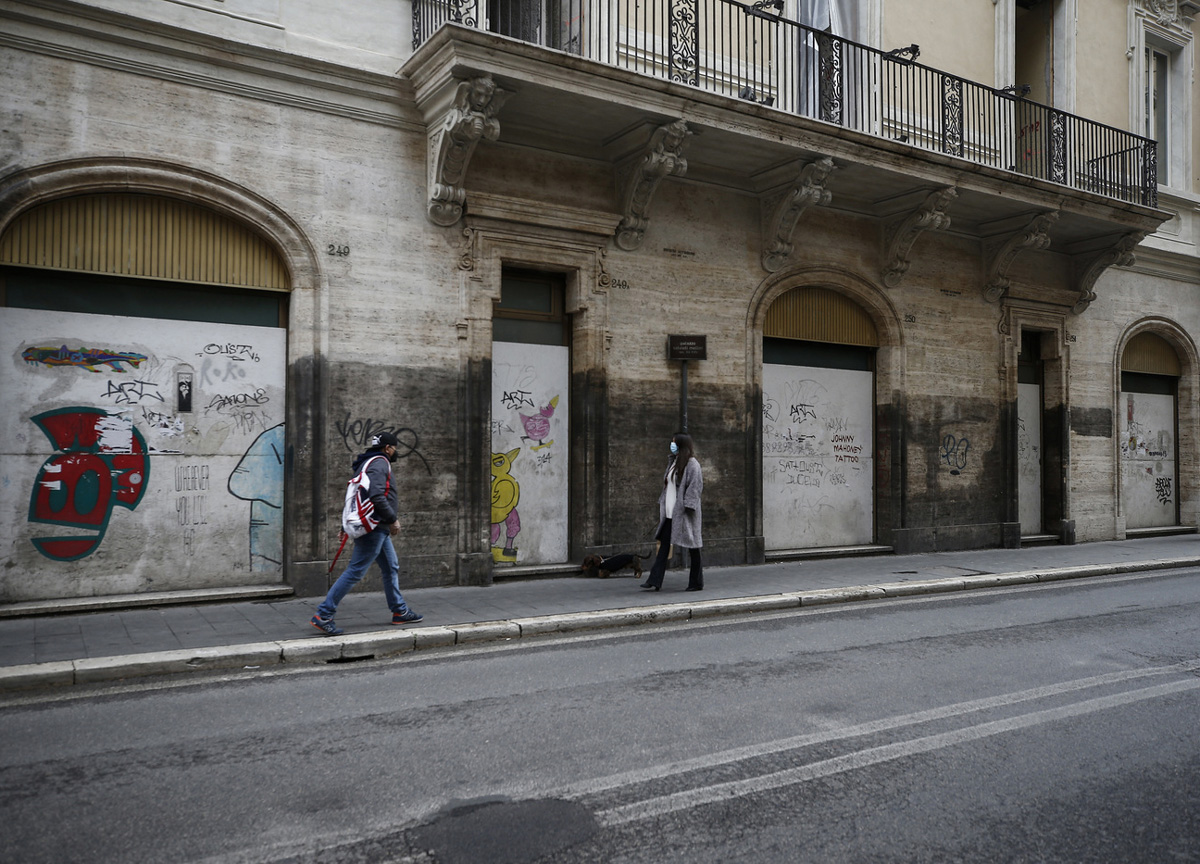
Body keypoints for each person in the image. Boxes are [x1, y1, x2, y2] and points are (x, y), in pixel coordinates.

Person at [311, 431, 423, 636]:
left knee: (391, 567)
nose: (395, 452)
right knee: (355, 571)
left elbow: (354, 498)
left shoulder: (366, 463)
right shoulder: (380, 463)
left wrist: (345, 525)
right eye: (394, 448)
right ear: (388, 448)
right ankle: (323, 614)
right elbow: (376, 495)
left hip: (376, 526)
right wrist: (392, 519)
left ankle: (399, 611)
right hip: (375, 527)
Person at [640, 432, 704, 592]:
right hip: (670, 513)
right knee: (663, 546)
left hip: (684, 514)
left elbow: (695, 487)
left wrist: (688, 506)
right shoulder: (674, 462)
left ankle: (696, 582)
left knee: (693, 547)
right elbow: (668, 486)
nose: (671, 444)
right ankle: (654, 580)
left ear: (682, 445)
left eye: (674, 442)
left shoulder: (692, 464)